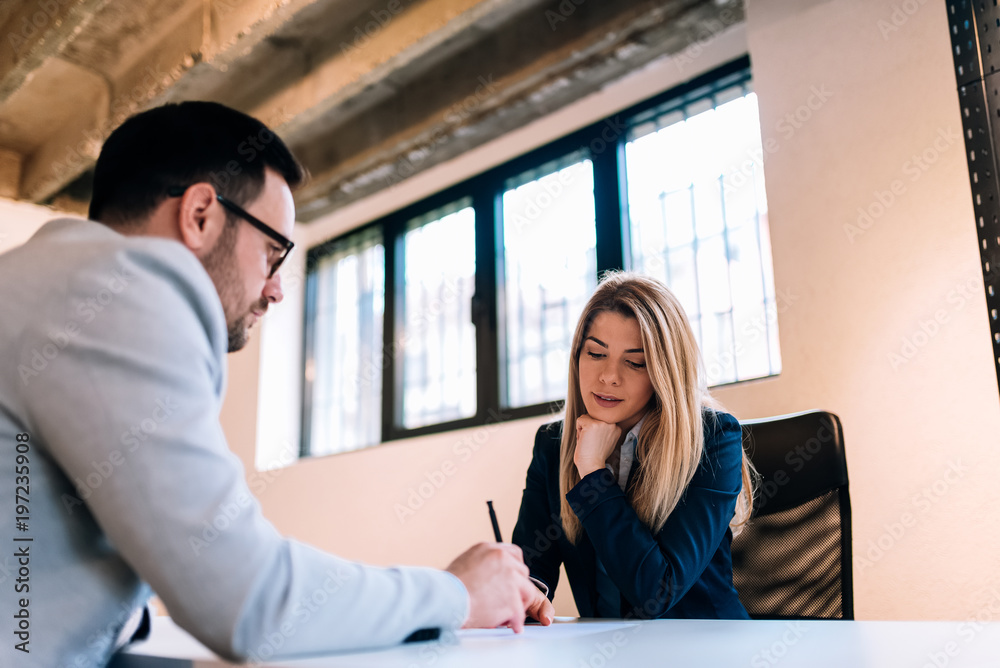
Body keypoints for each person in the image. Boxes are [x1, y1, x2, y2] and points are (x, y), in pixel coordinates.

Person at [0, 101, 536, 668]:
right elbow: (247, 598)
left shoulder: (46, 279)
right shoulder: (120, 287)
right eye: (273, 253)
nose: (277, 290)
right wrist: (457, 594)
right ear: (201, 214)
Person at [512, 271, 754, 622]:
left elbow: (656, 593)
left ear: (664, 372)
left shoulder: (712, 439)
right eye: (596, 353)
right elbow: (533, 567)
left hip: (706, 649)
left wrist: (593, 470)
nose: (609, 376)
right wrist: (523, 590)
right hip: (607, 651)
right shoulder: (552, 444)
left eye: (635, 362)